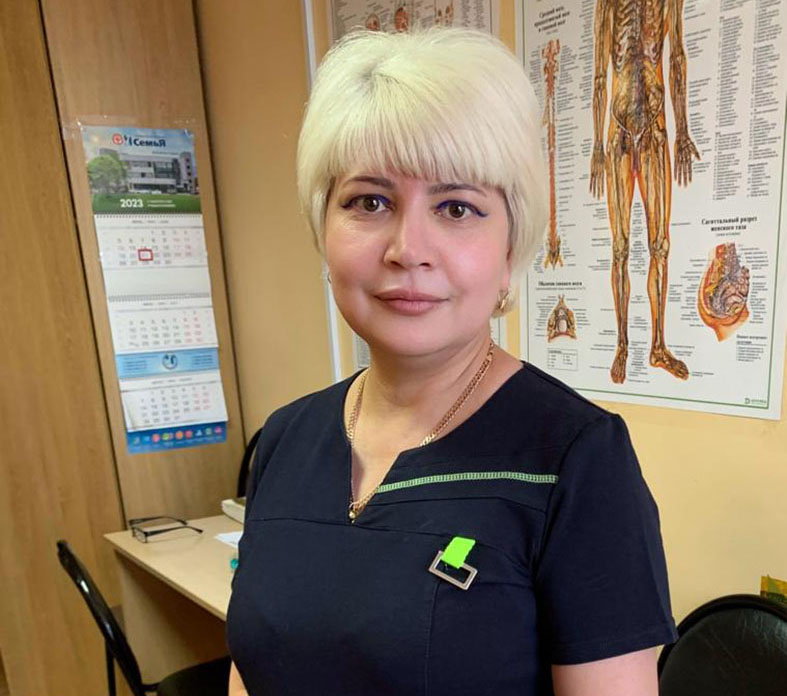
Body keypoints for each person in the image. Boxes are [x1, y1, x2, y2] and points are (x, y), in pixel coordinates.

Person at [227, 28, 676, 695]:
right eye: (369, 201)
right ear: (323, 229)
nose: (408, 248)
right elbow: (252, 666)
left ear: (510, 248)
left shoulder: (576, 460)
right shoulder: (286, 439)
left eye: (457, 207)